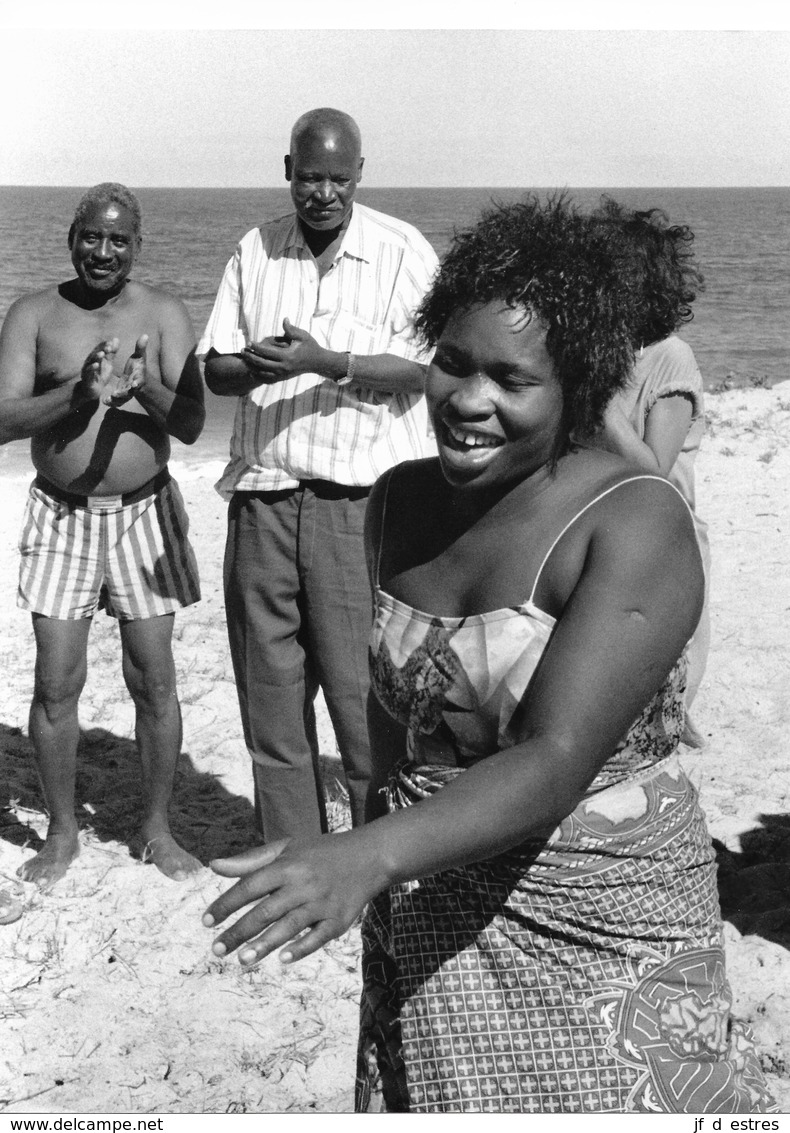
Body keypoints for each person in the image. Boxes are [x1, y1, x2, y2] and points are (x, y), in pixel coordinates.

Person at [201, 195, 776, 1114]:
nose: (469, 400)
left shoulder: (634, 522)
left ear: (577, 386)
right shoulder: (397, 500)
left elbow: (552, 759)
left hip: (597, 920)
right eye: (453, 365)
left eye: (512, 380)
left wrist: (371, 857)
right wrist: (362, 841)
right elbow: (392, 723)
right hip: (427, 889)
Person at [198, 107, 438, 843]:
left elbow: (432, 372)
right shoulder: (255, 249)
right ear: (287, 171)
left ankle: (372, 859)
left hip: (357, 509)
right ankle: (291, 856)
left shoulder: (403, 252)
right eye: (309, 177)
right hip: (263, 500)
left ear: (360, 173)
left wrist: (327, 363)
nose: (323, 193)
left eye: (337, 178)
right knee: (270, 703)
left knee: (365, 702)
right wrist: (261, 362)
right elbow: (215, 367)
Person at [0, 182, 205, 888]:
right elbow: (3, 420)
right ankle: (61, 832)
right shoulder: (32, 313)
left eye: (119, 240)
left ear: (137, 246)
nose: (104, 251)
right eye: (92, 236)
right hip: (60, 516)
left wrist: (144, 389)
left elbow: (190, 423)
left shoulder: (164, 313)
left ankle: (156, 828)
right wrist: (80, 395)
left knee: (154, 678)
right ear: (71, 237)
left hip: (147, 515)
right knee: (57, 681)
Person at [587, 199, 710, 742]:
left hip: (664, 540)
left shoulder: (670, 357)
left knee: (659, 693)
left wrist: (603, 405)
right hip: (601, 533)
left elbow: (656, 473)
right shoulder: (600, 349)